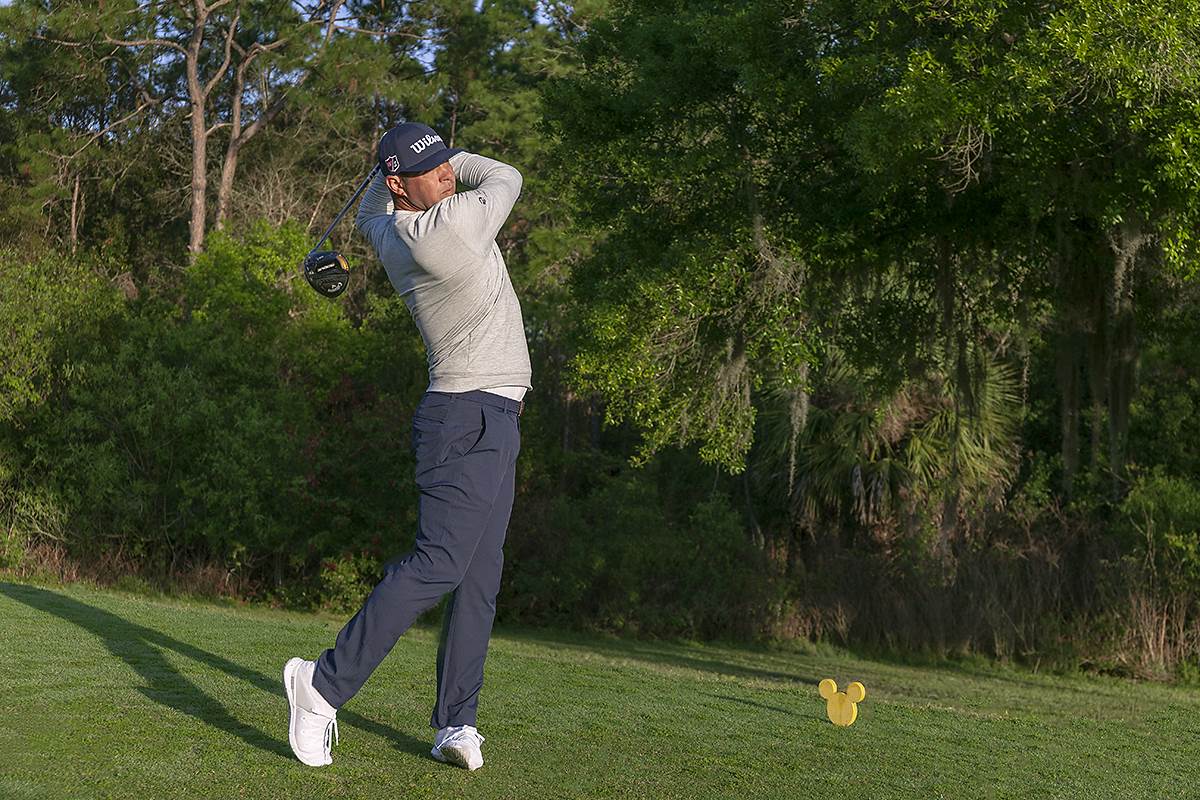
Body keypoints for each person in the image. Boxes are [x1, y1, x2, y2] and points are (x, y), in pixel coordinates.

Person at [282, 122, 531, 772]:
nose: (448, 173)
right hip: (467, 415)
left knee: (479, 578)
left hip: (491, 414)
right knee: (441, 564)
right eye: (434, 169)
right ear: (401, 184)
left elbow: (370, 209)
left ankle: (456, 721)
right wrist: (461, 154)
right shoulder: (448, 229)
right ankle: (322, 686)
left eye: (447, 162)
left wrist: (400, 163)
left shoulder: (389, 229)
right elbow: (508, 177)